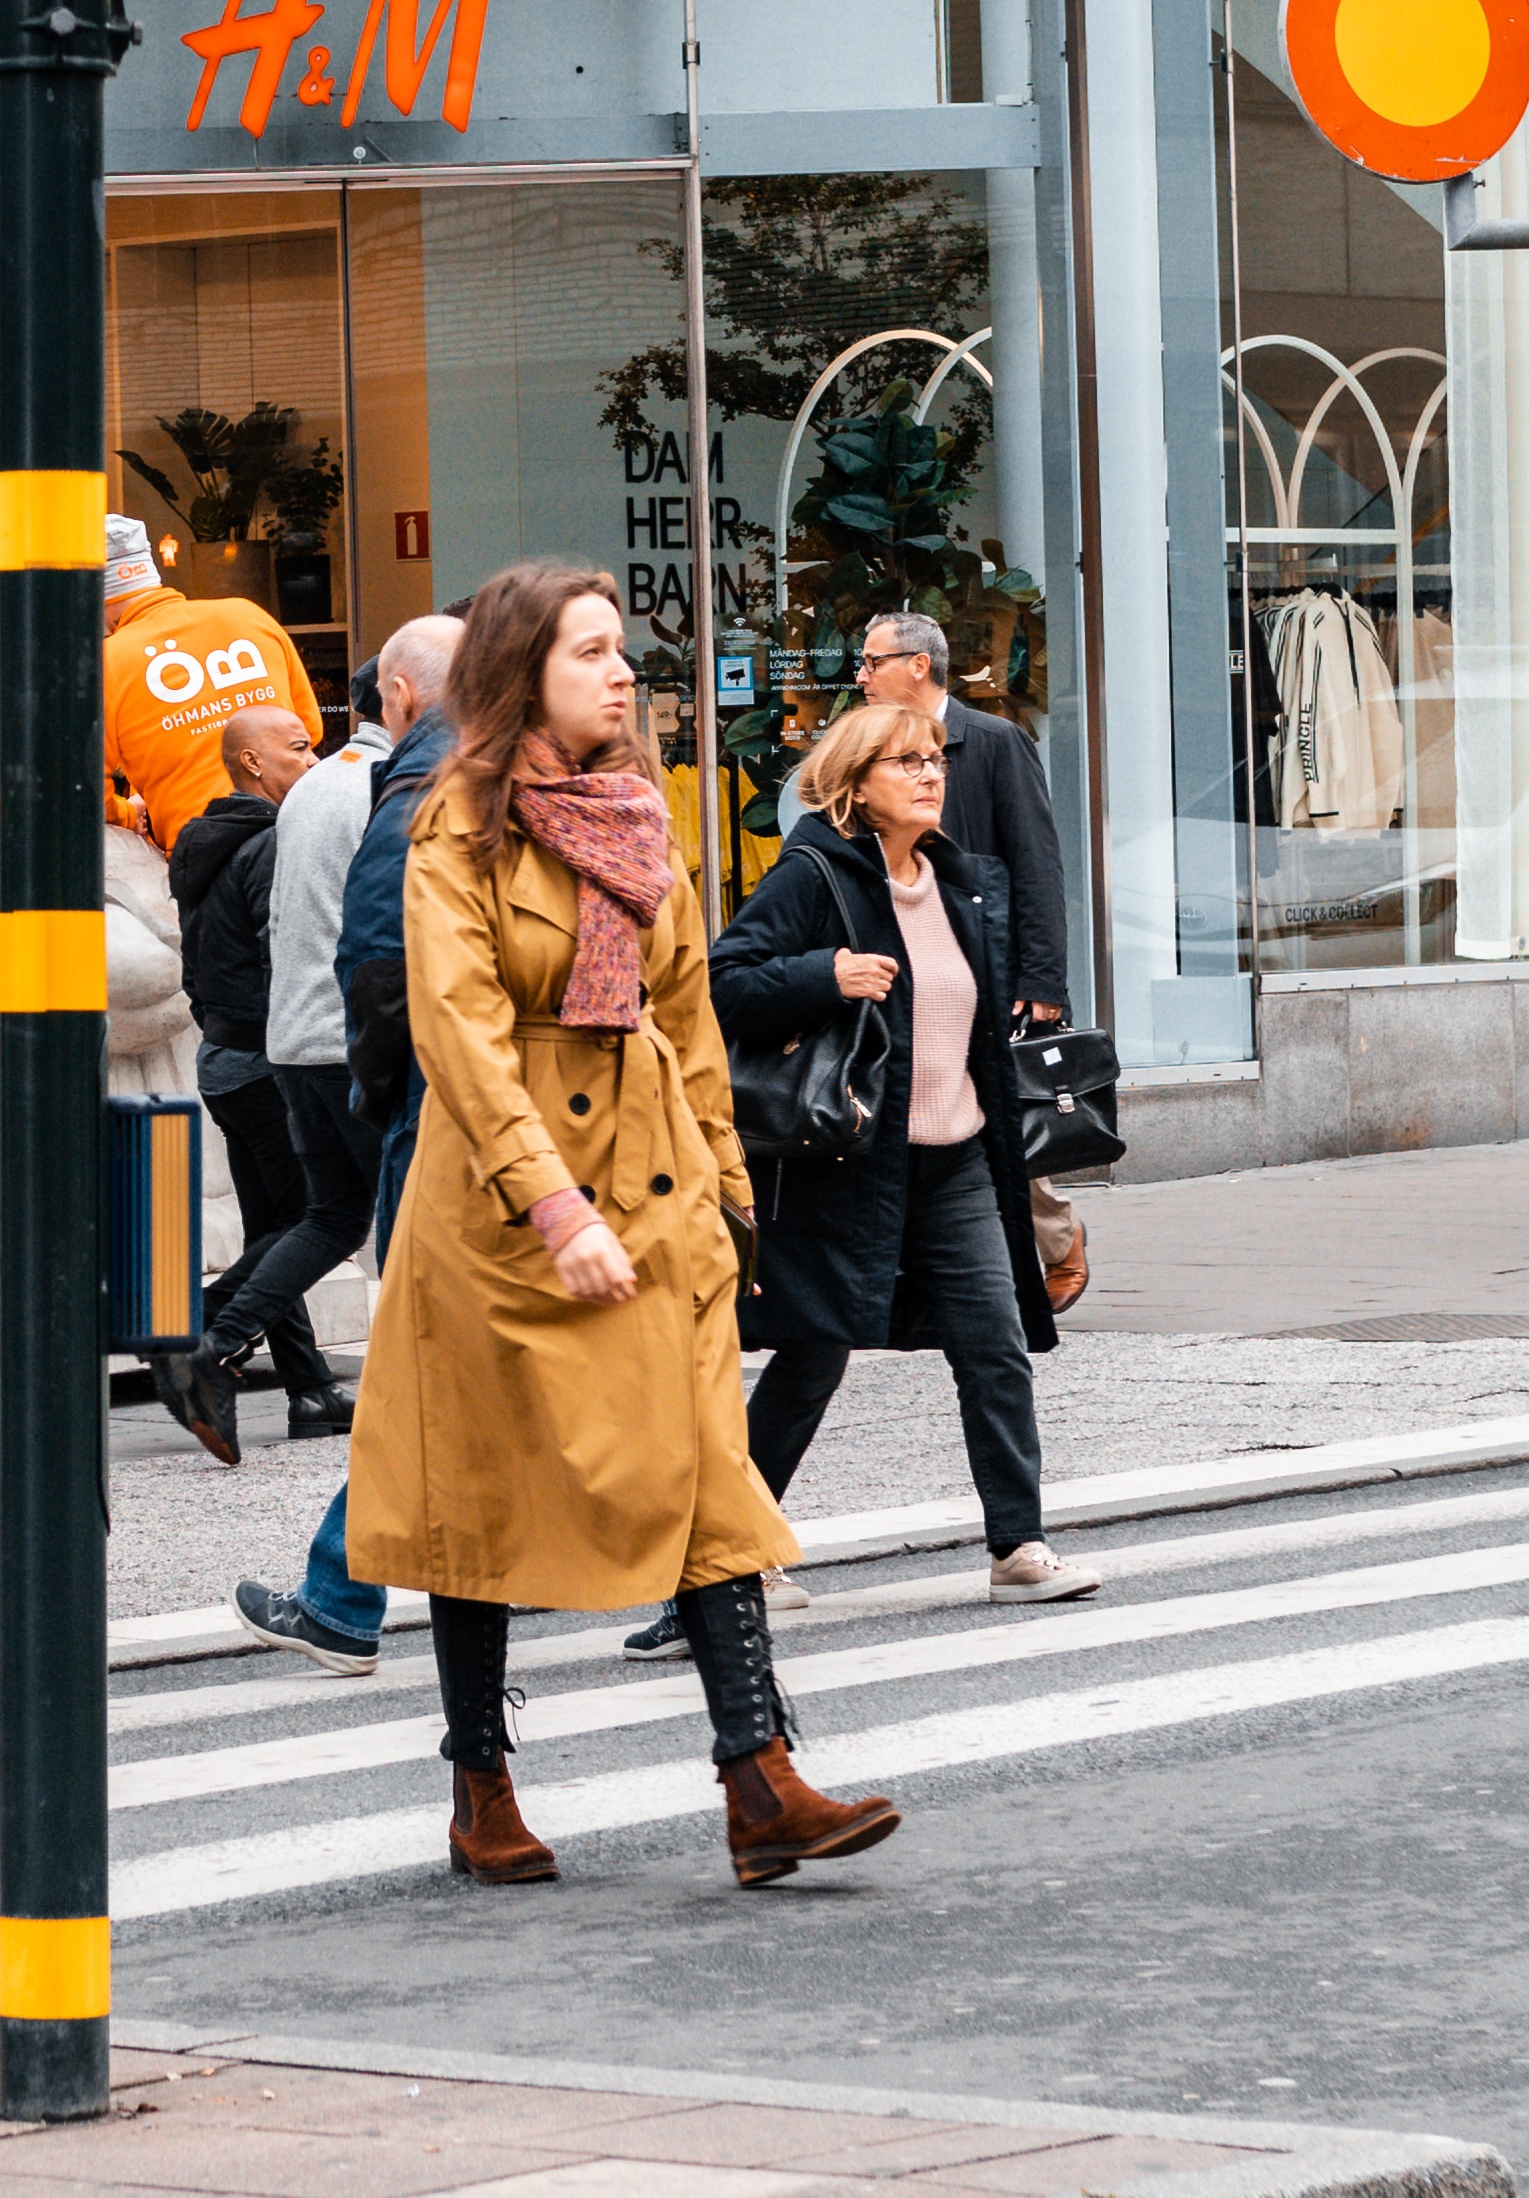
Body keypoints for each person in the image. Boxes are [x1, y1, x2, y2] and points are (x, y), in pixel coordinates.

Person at [347, 563, 897, 1891]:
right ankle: (481, 1782)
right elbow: (461, 1041)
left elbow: (690, 1012)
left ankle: (758, 1777)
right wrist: (550, 1201)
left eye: (620, 650)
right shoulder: (456, 826)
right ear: (522, 668)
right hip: (502, 1209)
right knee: (477, 1488)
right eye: (589, 650)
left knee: (708, 1472)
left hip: (654, 1194)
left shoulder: (637, 813)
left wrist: (727, 1188)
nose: (619, 672)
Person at [702, 697, 1089, 1618]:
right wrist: (820, 976)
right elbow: (720, 984)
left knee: (994, 1344)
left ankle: (1018, 1544)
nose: (929, 773)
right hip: (848, 1161)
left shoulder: (959, 883)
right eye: (905, 762)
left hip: (954, 1158)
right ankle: (729, 1563)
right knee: (812, 1357)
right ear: (855, 787)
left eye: (934, 760)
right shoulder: (814, 876)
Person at [233, 614, 461, 1673]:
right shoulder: (411, 790)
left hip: (342, 1060)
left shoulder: (362, 792)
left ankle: (341, 1597)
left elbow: (369, 961)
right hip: (393, 1074)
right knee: (436, 1359)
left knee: (421, 1352)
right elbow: (377, 962)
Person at [163, 704, 320, 1462]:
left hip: (225, 1059)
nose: (314, 761)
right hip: (267, 1060)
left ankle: (311, 1385)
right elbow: (284, 963)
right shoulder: (271, 846)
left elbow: (204, 963)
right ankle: (199, 1332)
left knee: (277, 1225)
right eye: (298, 748)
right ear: (253, 763)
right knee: (313, 1221)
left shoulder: (205, 843)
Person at [849, 609, 1070, 1028]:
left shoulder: (996, 742)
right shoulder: (866, 752)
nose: (862, 676)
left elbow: (1036, 864)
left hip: (988, 982)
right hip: (900, 982)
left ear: (919, 665)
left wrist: (1043, 979)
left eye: (873, 663)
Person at [97, 513, 322, 850]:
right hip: (298, 829)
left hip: (204, 856)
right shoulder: (249, 615)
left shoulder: (105, 662)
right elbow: (308, 730)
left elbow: (81, 788)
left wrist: (129, 814)